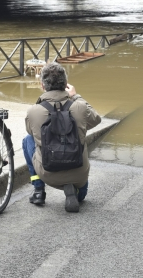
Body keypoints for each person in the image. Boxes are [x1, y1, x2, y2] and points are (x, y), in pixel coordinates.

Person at [23, 62, 101, 212]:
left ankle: (39, 190)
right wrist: (76, 96)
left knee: (28, 140)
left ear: (42, 85)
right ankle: (75, 191)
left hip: (48, 173)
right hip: (79, 176)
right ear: (66, 84)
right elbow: (96, 119)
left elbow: (31, 132)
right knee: (80, 137)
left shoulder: (34, 111)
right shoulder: (80, 107)